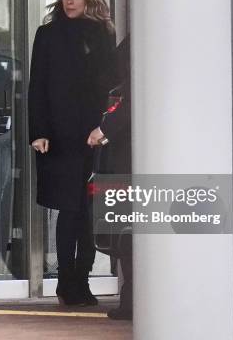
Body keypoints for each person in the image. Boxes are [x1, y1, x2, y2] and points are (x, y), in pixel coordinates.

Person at [29, 0, 118, 306]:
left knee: (90, 211)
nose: (69, 0)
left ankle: (83, 278)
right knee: (69, 209)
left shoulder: (104, 34)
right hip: (59, 135)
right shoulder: (48, 34)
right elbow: (37, 86)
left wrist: (107, 128)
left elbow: (112, 86)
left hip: (95, 134)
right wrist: (38, 131)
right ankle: (66, 281)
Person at [87, 37, 133, 320]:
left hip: (131, 165)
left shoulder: (145, 44)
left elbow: (130, 102)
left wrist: (104, 129)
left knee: (130, 231)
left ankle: (132, 301)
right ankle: (133, 300)